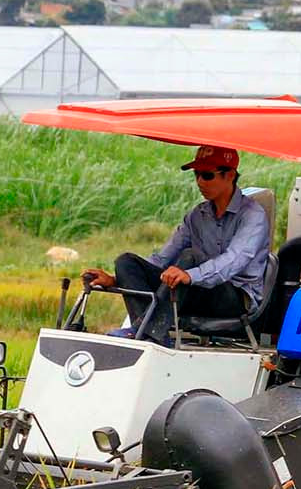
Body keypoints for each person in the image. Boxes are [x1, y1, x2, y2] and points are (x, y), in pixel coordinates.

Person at [82, 145, 271, 346]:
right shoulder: (197, 215)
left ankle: (147, 332)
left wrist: (190, 274)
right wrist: (116, 279)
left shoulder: (253, 215)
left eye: (207, 176)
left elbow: (234, 260)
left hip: (235, 297)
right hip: (196, 289)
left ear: (230, 175)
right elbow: (161, 259)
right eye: (196, 175)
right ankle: (150, 332)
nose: (199, 182)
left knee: (190, 258)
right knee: (126, 262)